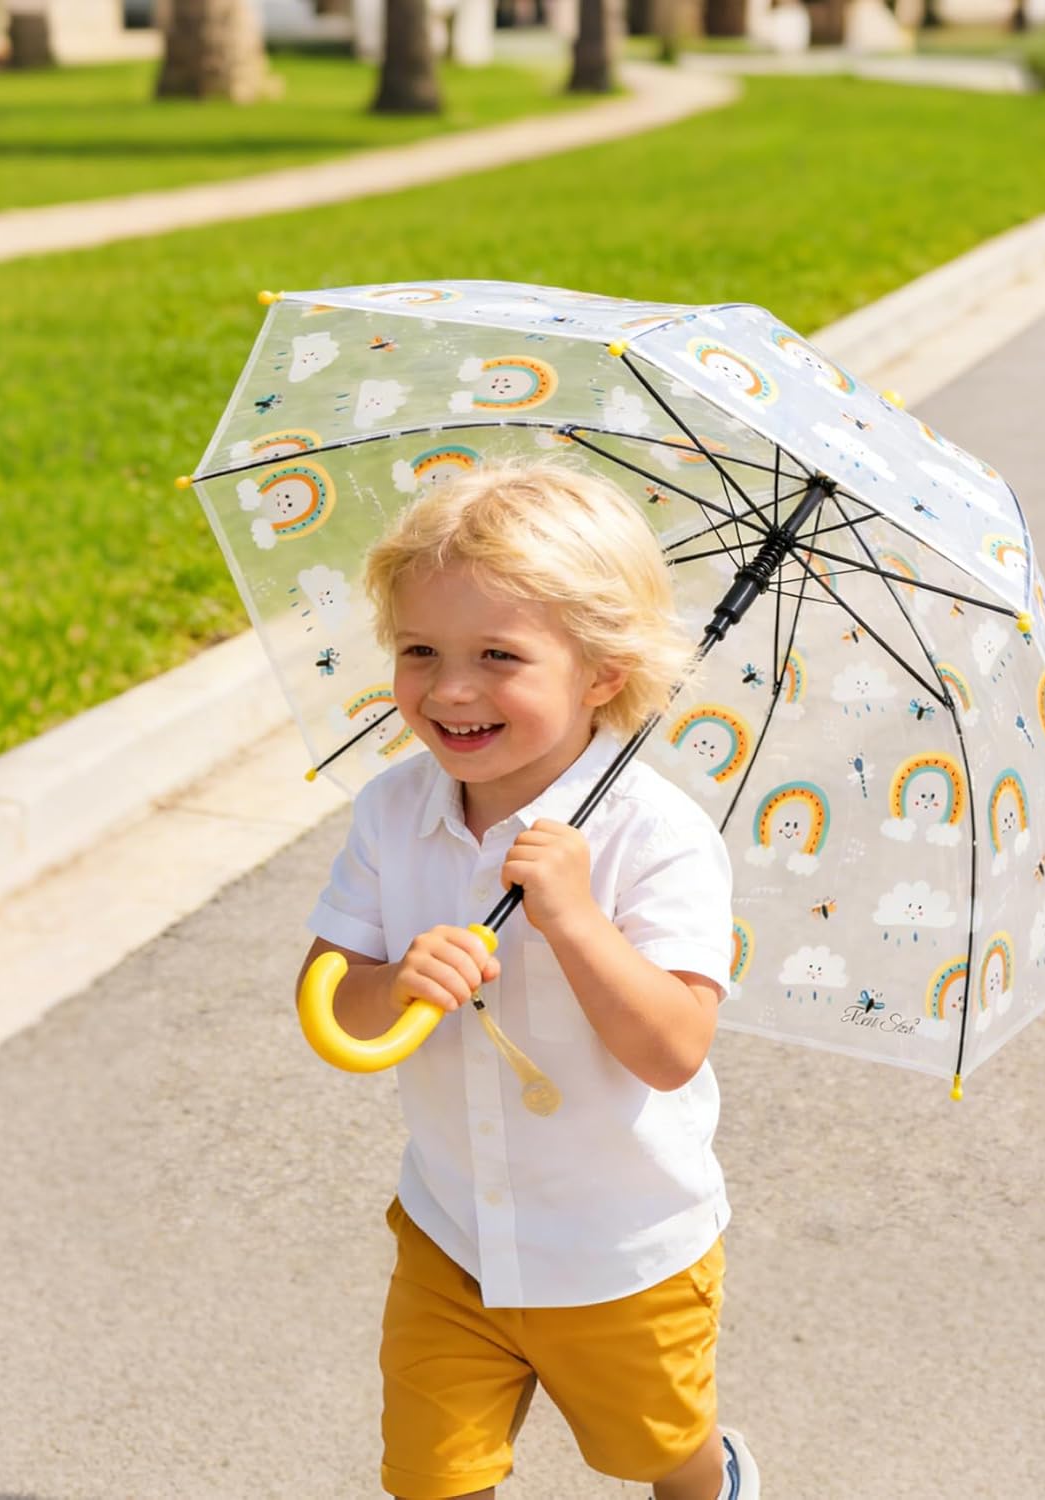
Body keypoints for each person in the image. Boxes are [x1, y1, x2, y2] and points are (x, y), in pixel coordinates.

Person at [299, 463, 760, 1500]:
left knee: (655, 1451)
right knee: (430, 1476)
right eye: (421, 651)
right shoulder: (392, 810)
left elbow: (674, 1048)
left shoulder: (659, 837)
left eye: (497, 657)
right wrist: (398, 983)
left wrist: (575, 919)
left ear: (602, 670)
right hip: (452, 1230)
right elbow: (333, 994)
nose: (450, 690)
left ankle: (713, 1474)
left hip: (620, 1249)